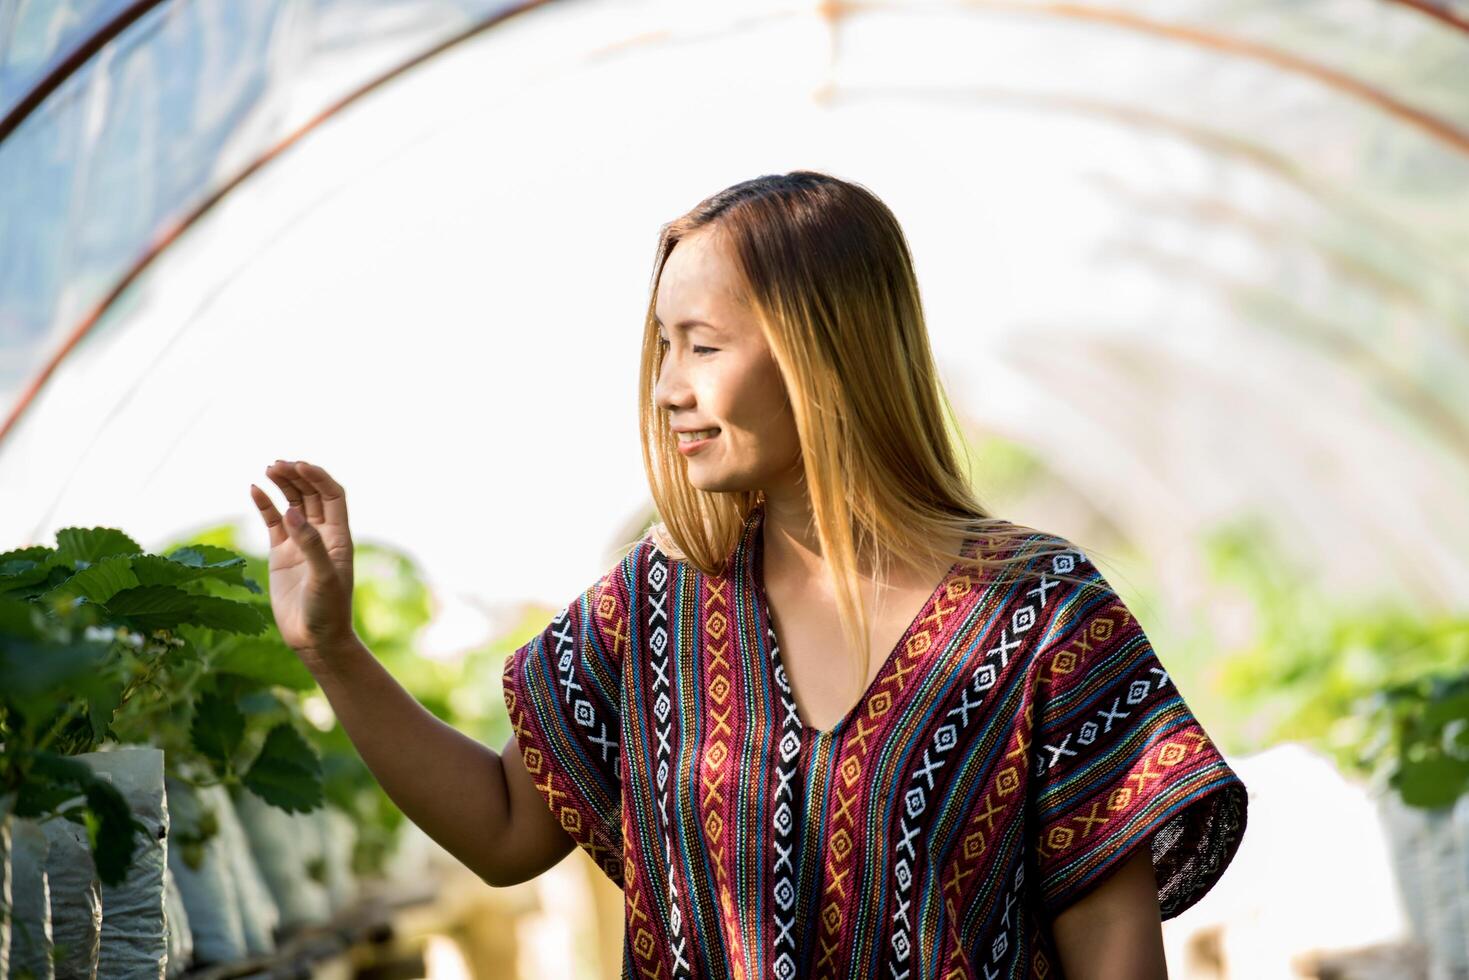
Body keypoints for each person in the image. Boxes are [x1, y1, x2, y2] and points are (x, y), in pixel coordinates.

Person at [250, 170, 1247, 979]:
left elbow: (1111, 943)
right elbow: (509, 829)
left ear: (824, 353)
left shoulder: (1037, 611)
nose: (668, 388)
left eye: (702, 344)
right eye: (660, 346)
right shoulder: (651, 605)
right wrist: (331, 648)